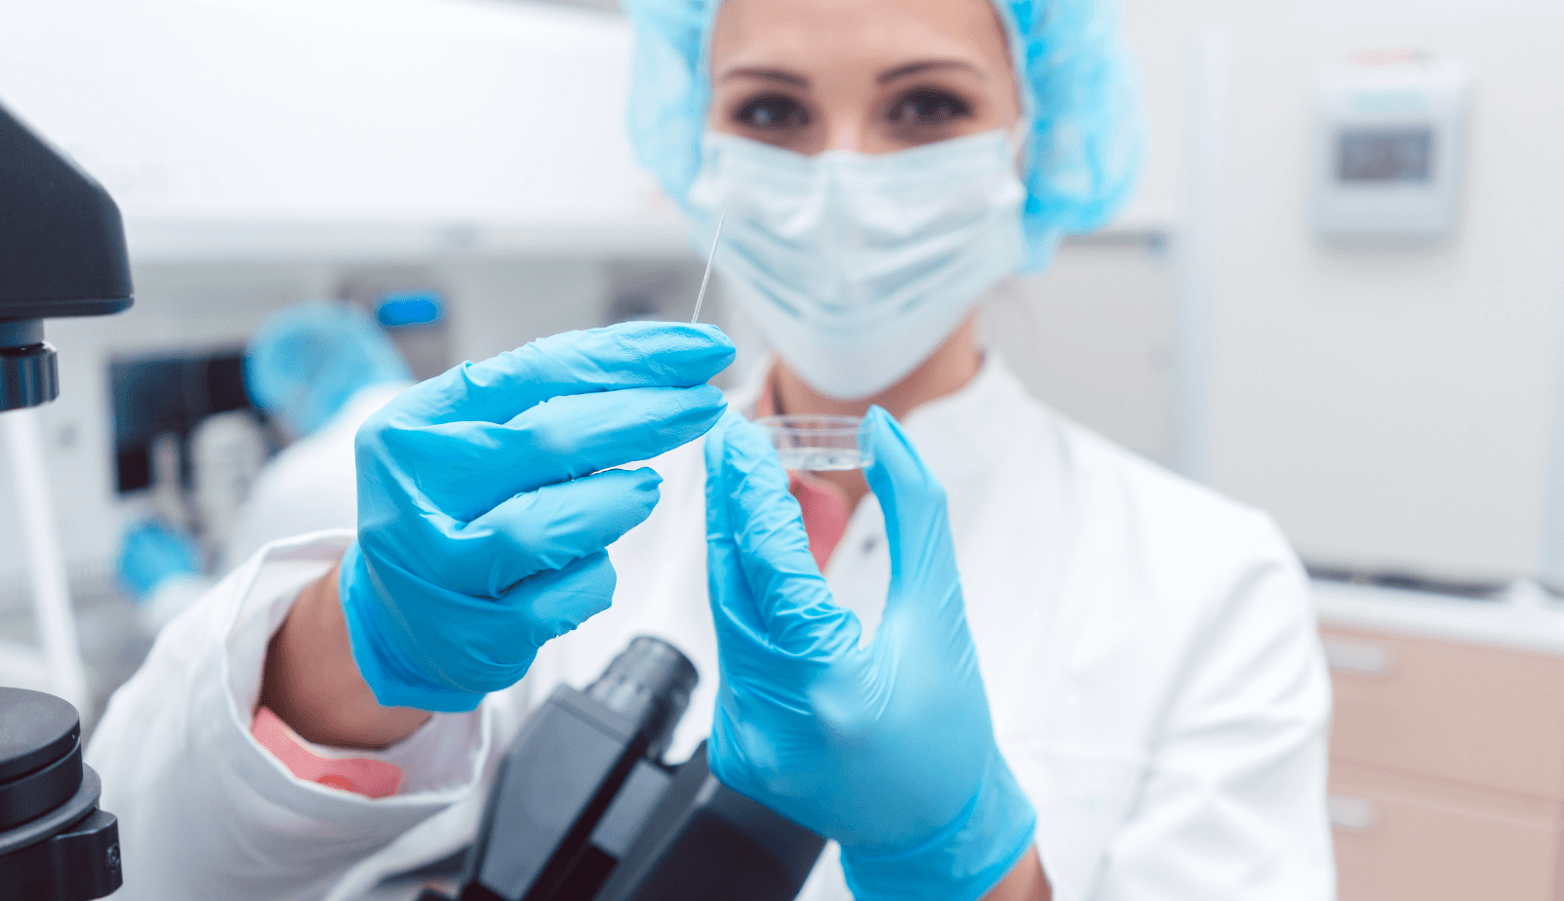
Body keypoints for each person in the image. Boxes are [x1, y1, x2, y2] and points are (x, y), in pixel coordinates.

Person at [89, 1, 1335, 900]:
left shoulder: (1205, 580)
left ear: (1035, 138)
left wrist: (970, 861)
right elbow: (147, 859)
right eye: (774, 110)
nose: (842, 178)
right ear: (700, 145)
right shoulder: (572, 498)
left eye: (925, 105)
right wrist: (343, 648)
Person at [113, 301, 414, 631]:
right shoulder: (440, 423)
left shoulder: (306, 480)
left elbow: (237, 633)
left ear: (292, 394)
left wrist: (166, 590)